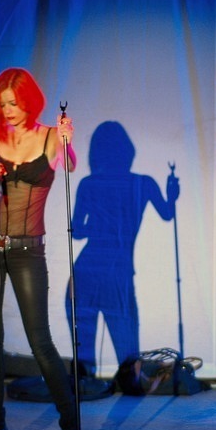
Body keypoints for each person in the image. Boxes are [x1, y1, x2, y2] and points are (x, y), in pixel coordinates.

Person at [0, 67, 79, 430]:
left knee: (40, 342)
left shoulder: (49, 136)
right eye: (2, 105)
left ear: (29, 101)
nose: (8, 111)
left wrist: (67, 142)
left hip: (28, 249)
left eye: (14, 103)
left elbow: (69, 166)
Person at [66, 121, 179, 377]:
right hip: (117, 272)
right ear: (127, 150)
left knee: (87, 356)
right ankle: (125, 383)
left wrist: (98, 228)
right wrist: (172, 194)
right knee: (127, 358)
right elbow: (167, 213)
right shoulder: (143, 184)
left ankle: (88, 386)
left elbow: (77, 230)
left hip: (88, 271)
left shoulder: (89, 183)